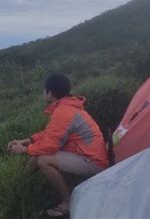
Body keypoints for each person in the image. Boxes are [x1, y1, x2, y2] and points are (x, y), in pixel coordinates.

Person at [8, 73, 109, 217]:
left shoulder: (64, 111)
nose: (43, 93)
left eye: (45, 90)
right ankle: (19, 184)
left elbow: (50, 145)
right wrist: (27, 141)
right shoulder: (66, 107)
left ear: (50, 93)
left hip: (94, 162)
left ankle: (68, 203)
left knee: (44, 160)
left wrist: (24, 150)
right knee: (39, 153)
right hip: (85, 154)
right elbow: (51, 133)